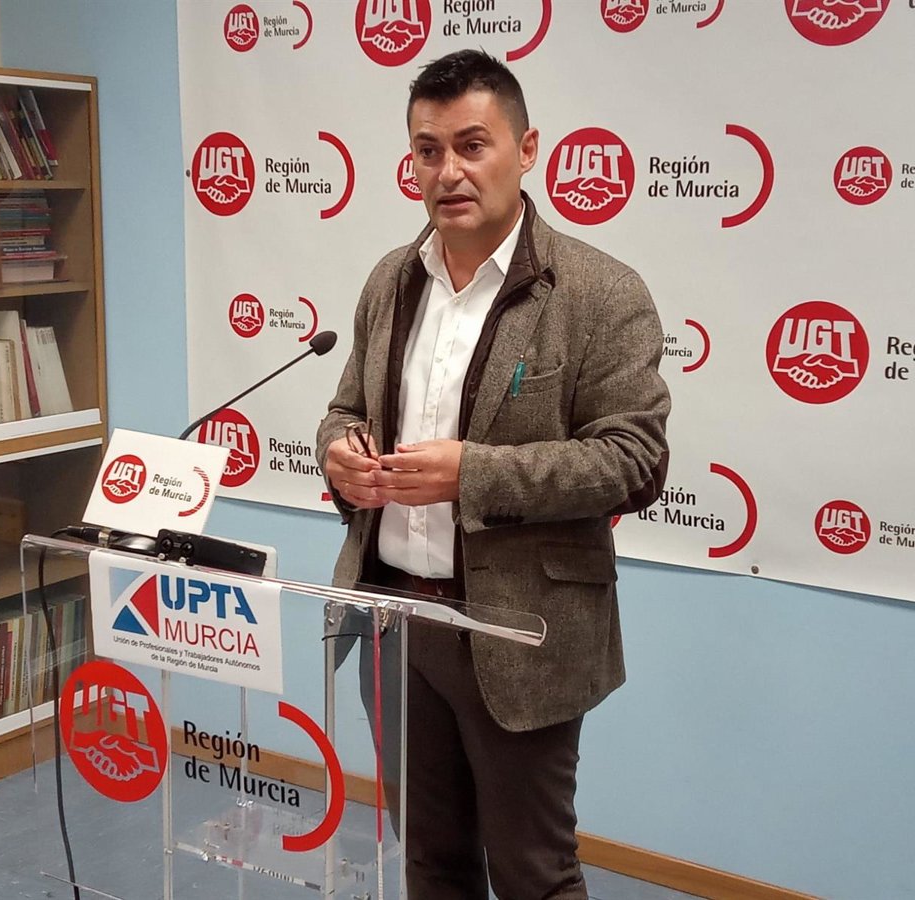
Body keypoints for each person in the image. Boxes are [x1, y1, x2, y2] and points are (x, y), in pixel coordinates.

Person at [315, 49, 670, 900]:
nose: (449, 171)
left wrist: (472, 474)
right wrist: (339, 454)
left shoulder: (599, 293)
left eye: (472, 145)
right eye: (428, 150)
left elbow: (634, 461)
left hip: (518, 633)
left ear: (526, 149)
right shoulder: (391, 280)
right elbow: (345, 408)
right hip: (395, 622)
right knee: (430, 863)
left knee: (533, 875)